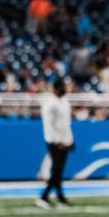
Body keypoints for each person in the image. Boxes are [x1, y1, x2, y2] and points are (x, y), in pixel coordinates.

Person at [37, 78, 74, 209]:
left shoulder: (64, 101)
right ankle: (44, 196)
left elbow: (66, 124)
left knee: (59, 170)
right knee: (57, 171)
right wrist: (56, 140)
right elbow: (49, 124)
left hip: (64, 141)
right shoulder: (51, 103)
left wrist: (69, 140)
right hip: (55, 141)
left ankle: (60, 197)